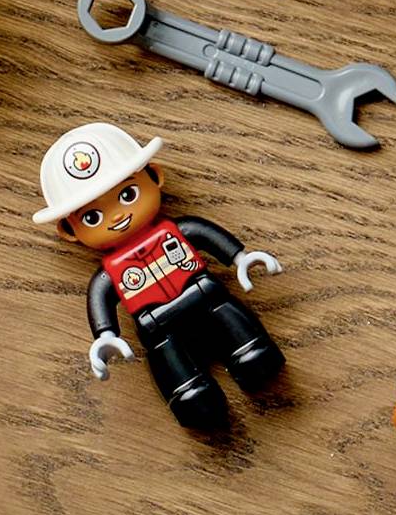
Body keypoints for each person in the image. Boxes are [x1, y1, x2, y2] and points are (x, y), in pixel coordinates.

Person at [35, 123, 286, 434]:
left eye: (128, 193)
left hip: (206, 296)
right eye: (92, 217)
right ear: (70, 231)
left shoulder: (178, 230)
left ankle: (250, 352)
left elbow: (205, 234)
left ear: (154, 176)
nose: (116, 216)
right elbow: (101, 297)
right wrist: (106, 336)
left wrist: (240, 257)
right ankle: (189, 394)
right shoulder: (107, 274)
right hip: (157, 326)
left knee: (255, 356)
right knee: (182, 382)